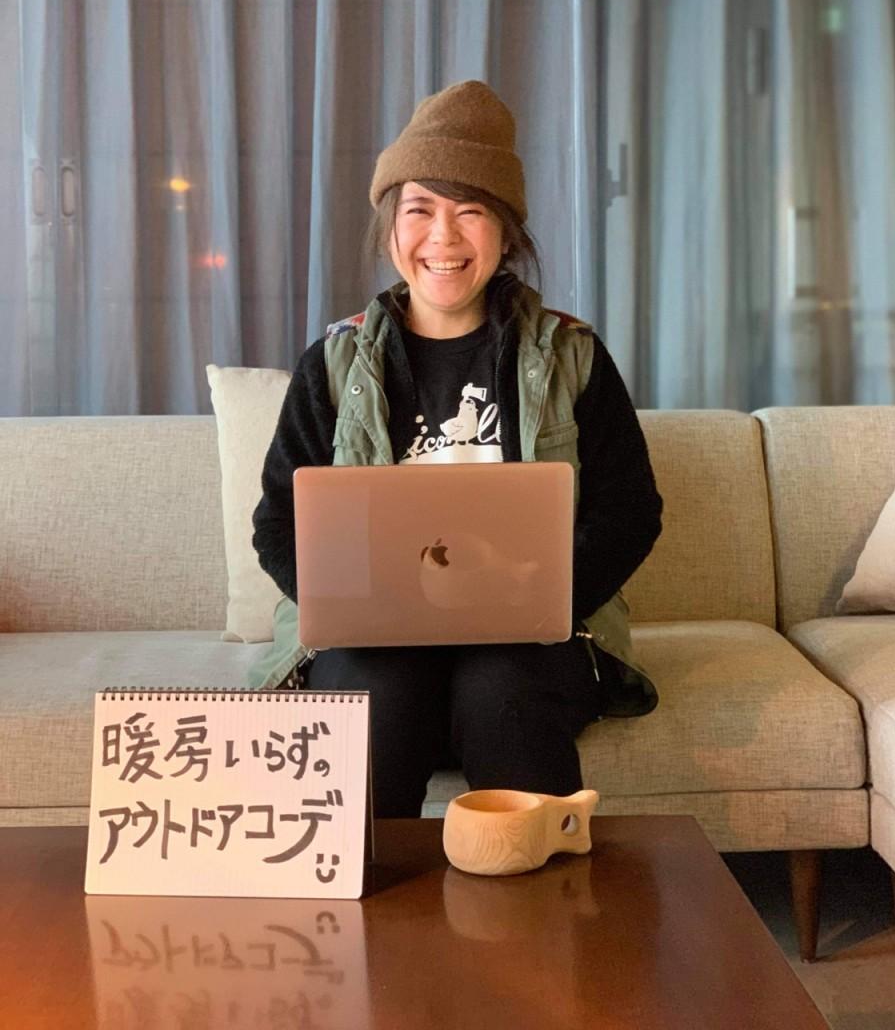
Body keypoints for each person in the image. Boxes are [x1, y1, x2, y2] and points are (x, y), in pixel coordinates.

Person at [251, 80, 663, 818]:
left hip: (532, 635)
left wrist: (546, 599)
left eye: (470, 211)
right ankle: (360, 892)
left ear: (506, 234)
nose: (442, 237)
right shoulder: (334, 364)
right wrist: (347, 607)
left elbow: (630, 510)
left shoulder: (570, 355)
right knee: (375, 699)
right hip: (373, 639)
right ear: (390, 228)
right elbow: (278, 521)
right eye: (420, 209)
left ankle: (536, 888)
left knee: (503, 692)